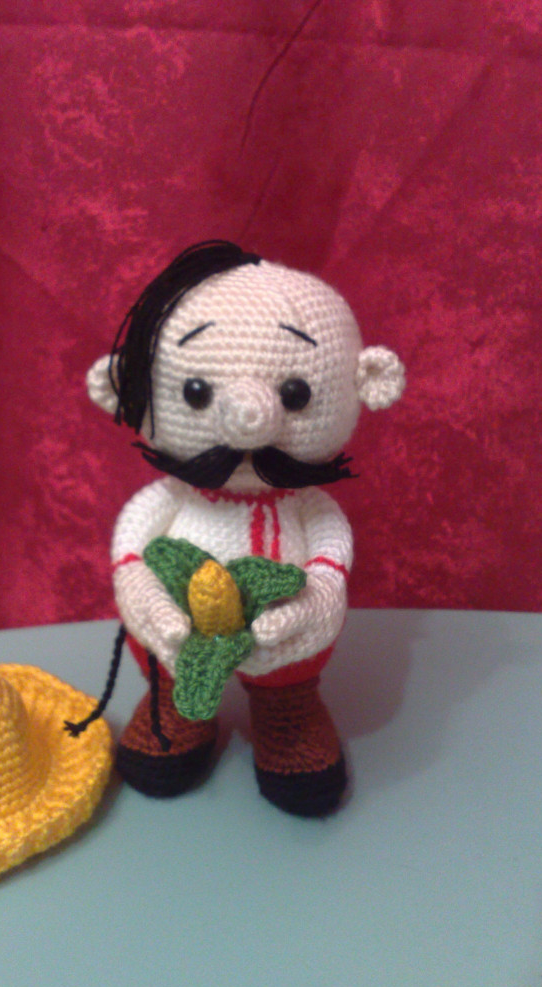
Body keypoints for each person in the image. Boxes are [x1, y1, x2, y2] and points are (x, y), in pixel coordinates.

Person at [87, 241, 405, 815]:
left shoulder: (308, 507)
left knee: (290, 671)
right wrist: (143, 594)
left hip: (283, 632)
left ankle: (287, 711)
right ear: (129, 385)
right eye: (197, 392)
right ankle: (176, 705)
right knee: (169, 661)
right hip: (180, 629)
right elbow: (131, 549)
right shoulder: (169, 500)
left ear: (366, 380)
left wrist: (318, 599)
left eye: (295, 395)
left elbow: (330, 559)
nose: (249, 423)